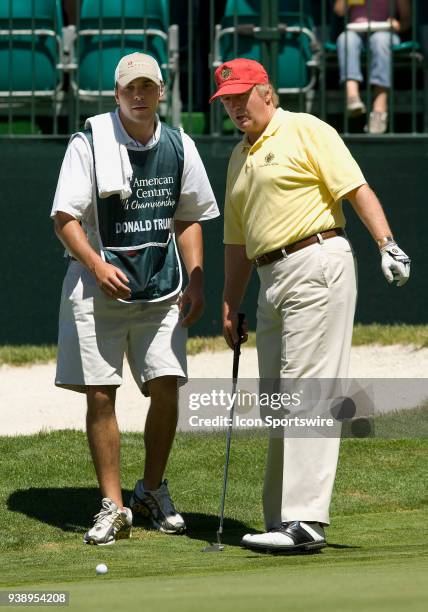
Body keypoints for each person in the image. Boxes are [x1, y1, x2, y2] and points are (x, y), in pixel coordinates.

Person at [210, 57, 410, 552]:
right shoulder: (239, 156)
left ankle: (304, 520)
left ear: (268, 93)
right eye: (227, 101)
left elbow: (355, 187)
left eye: (242, 96)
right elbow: (236, 243)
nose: (235, 107)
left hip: (317, 260)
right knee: (278, 399)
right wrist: (230, 302)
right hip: (269, 277)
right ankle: (281, 517)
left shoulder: (304, 129)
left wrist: (387, 243)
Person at [51, 52, 219, 545]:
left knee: (166, 386)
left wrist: (198, 278)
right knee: (101, 394)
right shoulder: (89, 143)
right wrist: (96, 264)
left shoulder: (180, 144)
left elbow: (187, 216)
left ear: (161, 92)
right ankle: (114, 504)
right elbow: (65, 219)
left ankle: (150, 488)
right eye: (130, 89)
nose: (139, 96)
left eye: (148, 87)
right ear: (117, 95)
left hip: (162, 286)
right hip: (96, 285)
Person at [334, 0, 411, 134]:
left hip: (385, 32)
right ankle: (352, 97)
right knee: (345, 39)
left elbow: (407, 19)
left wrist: (397, 25)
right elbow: (339, 11)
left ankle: (379, 109)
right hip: (355, 31)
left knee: (380, 41)